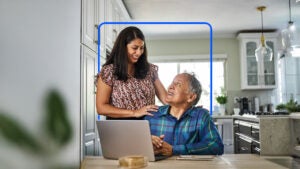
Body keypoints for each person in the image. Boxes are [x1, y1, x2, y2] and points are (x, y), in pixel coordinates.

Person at [96, 26, 167, 120]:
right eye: (134, 48)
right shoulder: (108, 72)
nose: (139, 53)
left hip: (148, 126)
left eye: (142, 48)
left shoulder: (149, 70)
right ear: (122, 48)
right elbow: (101, 108)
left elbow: (165, 99)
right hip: (120, 128)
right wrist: (134, 113)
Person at [144, 73, 224, 156]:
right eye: (172, 83)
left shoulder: (201, 116)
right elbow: (133, 141)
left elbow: (216, 146)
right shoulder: (152, 114)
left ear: (191, 97)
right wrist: (146, 139)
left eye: (178, 84)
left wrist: (173, 150)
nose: (170, 87)